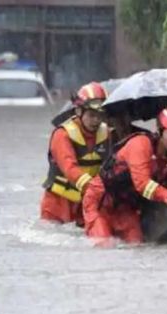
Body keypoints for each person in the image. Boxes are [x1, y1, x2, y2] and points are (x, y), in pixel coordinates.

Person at [82, 107, 167, 246]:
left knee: (137, 245)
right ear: (160, 130)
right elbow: (142, 184)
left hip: (127, 207)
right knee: (105, 245)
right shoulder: (141, 144)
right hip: (100, 202)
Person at [40, 82, 110, 226]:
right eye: (92, 115)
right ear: (78, 111)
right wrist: (95, 188)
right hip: (58, 204)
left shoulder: (107, 133)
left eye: (100, 115)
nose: (96, 120)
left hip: (87, 202)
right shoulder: (62, 135)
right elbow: (69, 168)